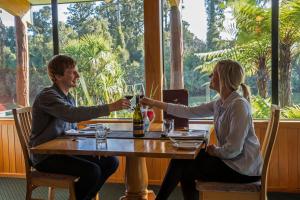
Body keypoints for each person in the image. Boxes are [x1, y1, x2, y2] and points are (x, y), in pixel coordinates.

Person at [140, 59, 262, 200]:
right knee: (181, 160)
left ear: (223, 78)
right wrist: (154, 103)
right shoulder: (220, 103)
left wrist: (215, 151)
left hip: (243, 169)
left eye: (214, 73)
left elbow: (233, 149)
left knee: (181, 164)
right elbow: (189, 111)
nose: (210, 76)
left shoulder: (238, 105)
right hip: (232, 162)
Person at [30, 55, 131, 200]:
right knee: (92, 171)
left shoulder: (68, 97)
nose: (77, 75)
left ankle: (81, 197)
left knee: (111, 161)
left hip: (63, 151)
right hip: (46, 156)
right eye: (72, 72)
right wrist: (111, 107)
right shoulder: (47, 96)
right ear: (57, 76)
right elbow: (71, 114)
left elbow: (71, 129)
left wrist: (92, 149)